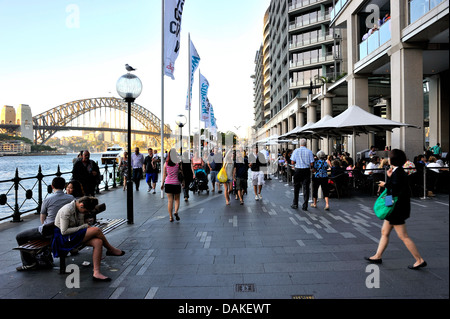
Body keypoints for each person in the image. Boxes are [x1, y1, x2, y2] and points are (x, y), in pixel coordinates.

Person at [365, 149, 427, 270]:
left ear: (393, 159)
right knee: (385, 232)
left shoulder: (398, 173)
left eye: (389, 156)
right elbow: (396, 186)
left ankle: (419, 260)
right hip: (395, 208)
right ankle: (377, 255)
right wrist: (389, 178)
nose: (388, 158)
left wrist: (385, 184)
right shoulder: (397, 171)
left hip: (396, 210)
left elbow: (396, 189)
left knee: (403, 236)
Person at [52, 196, 125, 282]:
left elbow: (80, 225)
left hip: (73, 235)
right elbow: (64, 231)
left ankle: (96, 273)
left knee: (98, 242)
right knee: (97, 230)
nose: (86, 213)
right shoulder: (67, 210)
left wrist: (84, 225)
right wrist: (83, 227)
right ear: (81, 205)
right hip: (63, 238)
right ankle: (110, 249)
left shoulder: (79, 209)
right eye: (86, 211)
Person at [15, 177, 75, 271]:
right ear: (64, 186)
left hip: (49, 231)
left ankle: (29, 263)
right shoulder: (71, 198)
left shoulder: (48, 199)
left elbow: (42, 217)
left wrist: (45, 226)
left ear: (52, 186)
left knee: (20, 236)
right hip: (65, 231)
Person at [290, 139, 314, 210]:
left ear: (299, 144)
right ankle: (305, 205)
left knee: (296, 187)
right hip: (306, 171)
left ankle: (295, 204)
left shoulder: (296, 151)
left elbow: (292, 162)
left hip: (298, 170)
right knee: (306, 187)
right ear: (306, 144)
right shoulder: (309, 151)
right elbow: (312, 163)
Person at [161, 149, 182, 222]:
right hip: (176, 183)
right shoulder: (178, 163)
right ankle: (176, 211)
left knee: (170, 201)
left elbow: (164, 174)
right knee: (177, 199)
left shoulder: (166, 164)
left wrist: (162, 183)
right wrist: (183, 182)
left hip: (168, 183)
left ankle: (170, 217)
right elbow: (181, 173)